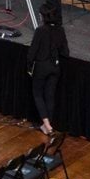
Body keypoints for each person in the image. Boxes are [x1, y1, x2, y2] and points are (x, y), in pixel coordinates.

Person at [27, 7, 69, 135]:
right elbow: (66, 52)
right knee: (50, 96)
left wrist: (29, 67)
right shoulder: (60, 30)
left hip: (41, 67)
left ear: (42, 17)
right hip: (55, 67)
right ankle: (47, 126)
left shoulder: (40, 30)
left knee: (38, 94)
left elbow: (32, 52)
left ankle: (47, 125)